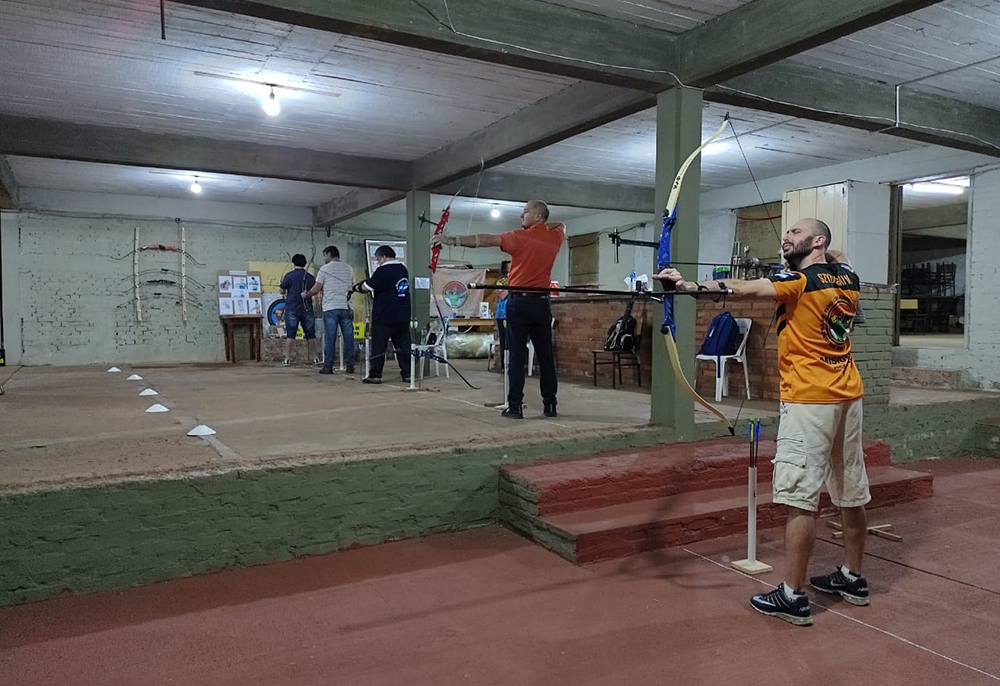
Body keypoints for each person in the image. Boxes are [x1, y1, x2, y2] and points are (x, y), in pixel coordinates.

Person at [656, 218, 868, 627]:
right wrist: (804, 258)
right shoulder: (848, 276)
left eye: (795, 232)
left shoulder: (798, 282)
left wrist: (688, 287)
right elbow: (836, 257)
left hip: (810, 400)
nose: (786, 236)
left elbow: (743, 288)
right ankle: (853, 578)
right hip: (848, 396)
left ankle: (793, 596)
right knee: (850, 490)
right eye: (787, 232)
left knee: (800, 497)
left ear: (817, 241)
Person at [431, 200, 563, 418]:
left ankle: (515, 406)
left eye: (526, 212)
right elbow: (561, 225)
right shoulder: (555, 237)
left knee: (516, 356)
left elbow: (485, 240)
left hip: (519, 302)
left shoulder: (520, 237)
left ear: (538, 216)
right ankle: (550, 405)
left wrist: (452, 240)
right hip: (541, 303)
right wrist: (542, 227)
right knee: (545, 356)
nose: (521, 215)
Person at [351, 245, 411, 385]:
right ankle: (408, 374)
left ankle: (375, 375)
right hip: (403, 314)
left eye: (378, 259)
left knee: (379, 347)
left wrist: (355, 287)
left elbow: (367, 287)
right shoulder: (403, 269)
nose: (378, 262)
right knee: (403, 346)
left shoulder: (383, 270)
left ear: (384, 257)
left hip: (384, 315)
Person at [304, 245, 356, 375]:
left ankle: (328, 366)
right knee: (349, 338)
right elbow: (352, 288)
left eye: (324, 256)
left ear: (328, 254)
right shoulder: (348, 268)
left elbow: (316, 288)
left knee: (330, 338)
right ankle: (350, 365)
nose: (324, 258)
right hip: (345, 307)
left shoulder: (325, 269)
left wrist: (307, 294)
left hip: (330, 308)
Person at [278, 254, 319, 367]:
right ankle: (315, 358)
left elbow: (282, 291)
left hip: (292, 308)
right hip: (307, 308)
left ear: (293, 263)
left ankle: (287, 359)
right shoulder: (310, 277)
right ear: (305, 263)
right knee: (311, 335)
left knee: (291, 335)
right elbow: (314, 291)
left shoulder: (289, 275)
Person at [494, 260, 510, 372]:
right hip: (503, 314)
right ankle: (505, 366)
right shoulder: (501, 282)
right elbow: (502, 296)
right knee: (504, 340)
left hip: (515, 313)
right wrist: (511, 284)